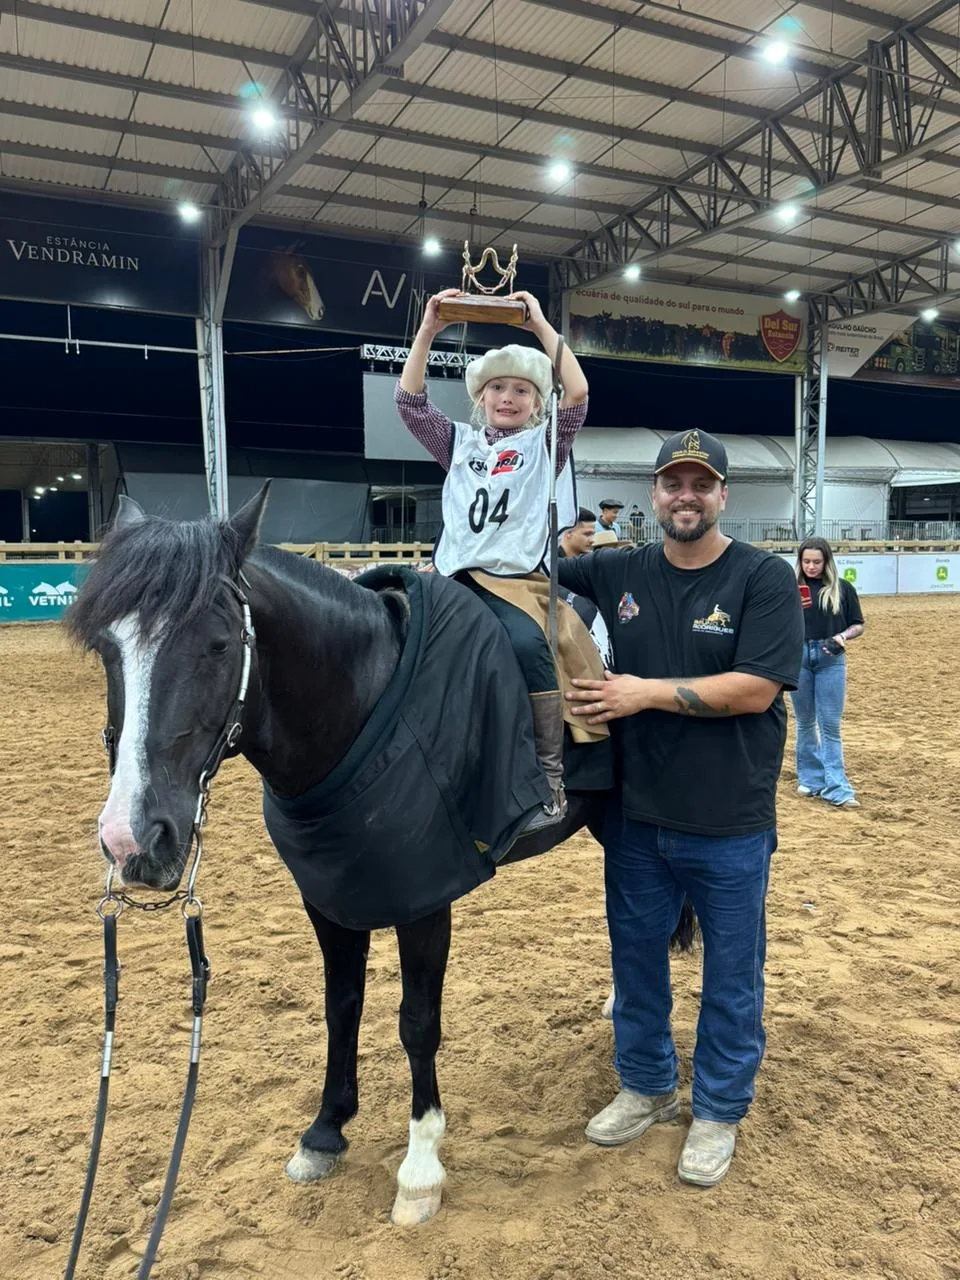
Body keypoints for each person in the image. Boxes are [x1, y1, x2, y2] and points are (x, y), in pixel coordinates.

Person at [558, 427, 803, 1188]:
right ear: (654, 495)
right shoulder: (621, 569)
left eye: (700, 484)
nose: (685, 497)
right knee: (634, 964)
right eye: (673, 484)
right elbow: (529, 565)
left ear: (723, 495)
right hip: (636, 819)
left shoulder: (763, 578)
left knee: (732, 974)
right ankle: (647, 1086)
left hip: (729, 821)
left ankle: (719, 1108)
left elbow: (755, 689)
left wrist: (642, 693)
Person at [396, 287, 590, 832]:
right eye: (498, 388)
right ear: (481, 397)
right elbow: (409, 402)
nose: (508, 397)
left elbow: (577, 393)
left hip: (513, 581)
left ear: (537, 403)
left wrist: (540, 326)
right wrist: (429, 328)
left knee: (530, 647)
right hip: (452, 577)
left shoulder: (545, 444)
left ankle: (549, 777)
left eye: (522, 390)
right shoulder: (456, 442)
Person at [791, 536, 864, 808]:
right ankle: (811, 779)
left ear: (827, 562)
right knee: (805, 722)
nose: (811, 567)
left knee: (830, 725)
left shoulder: (843, 589)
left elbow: (858, 625)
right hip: (797, 657)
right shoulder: (790, 589)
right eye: (806, 561)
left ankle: (837, 786)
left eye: (817, 562)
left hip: (831, 658)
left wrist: (842, 636)